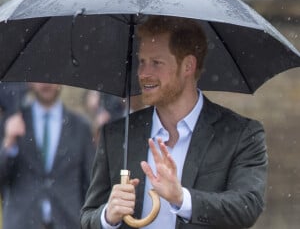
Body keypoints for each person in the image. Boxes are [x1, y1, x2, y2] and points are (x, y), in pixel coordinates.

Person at [80, 16, 268, 229]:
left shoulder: (240, 134)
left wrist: (182, 199)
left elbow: (247, 206)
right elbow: (88, 218)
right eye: (141, 62)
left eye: (156, 63)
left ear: (188, 66)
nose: (143, 73)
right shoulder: (116, 134)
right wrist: (107, 217)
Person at [0, 83, 95, 229]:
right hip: (21, 222)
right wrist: (8, 144)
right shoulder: (11, 122)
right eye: (40, 78)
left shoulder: (81, 127)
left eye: (51, 79)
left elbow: (90, 183)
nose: (46, 83)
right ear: (30, 81)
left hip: (69, 222)